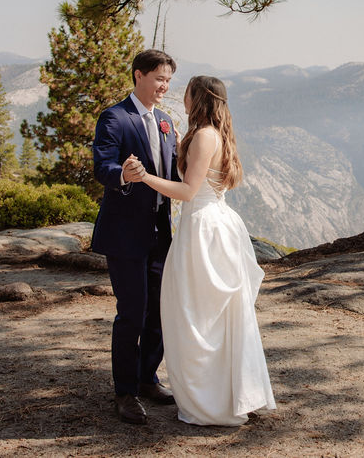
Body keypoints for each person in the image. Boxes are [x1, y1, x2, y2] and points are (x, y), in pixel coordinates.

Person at [132, 75, 275, 426]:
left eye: (187, 93)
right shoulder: (216, 134)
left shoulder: (205, 138)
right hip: (217, 223)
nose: (182, 98)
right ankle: (228, 393)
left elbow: (187, 192)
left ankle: (210, 401)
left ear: (199, 98)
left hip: (202, 230)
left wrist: (145, 177)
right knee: (217, 316)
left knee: (194, 315)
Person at [91, 49, 179, 425]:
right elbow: (102, 165)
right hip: (125, 233)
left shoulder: (166, 121)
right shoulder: (114, 117)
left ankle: (147, 378)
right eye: (159, 78)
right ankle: (124, 393)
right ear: (139, 75)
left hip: (161, 231)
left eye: (169, 80)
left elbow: (173, 170)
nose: (164, 86)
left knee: (159, 311)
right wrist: (123, 175)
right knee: (132, 314)